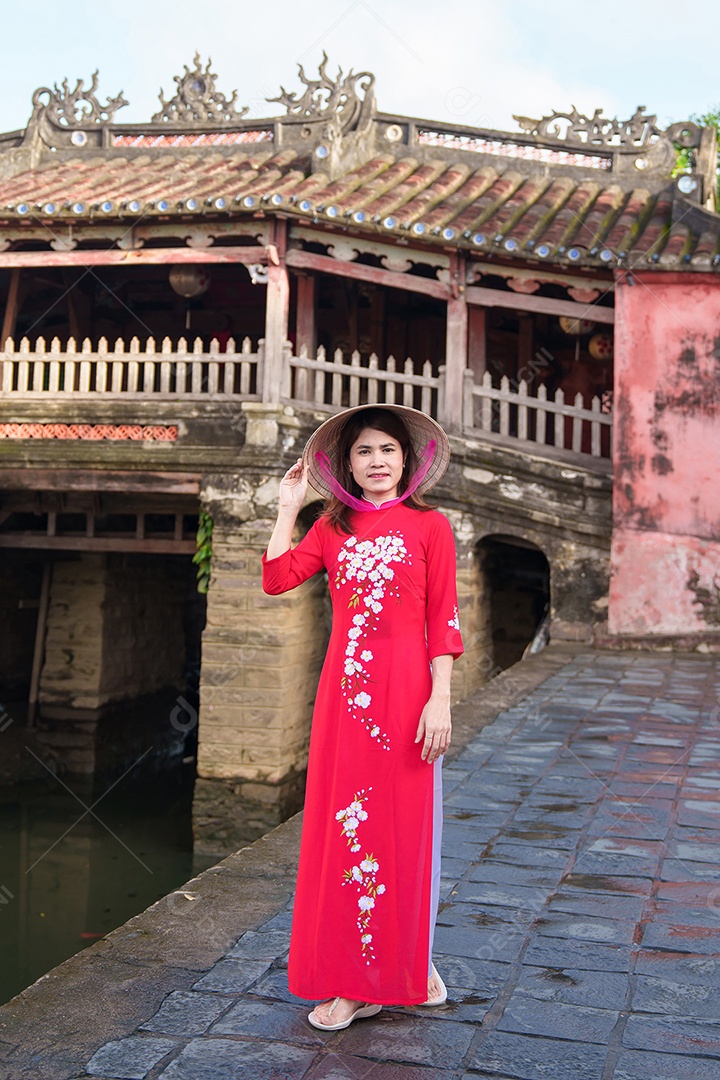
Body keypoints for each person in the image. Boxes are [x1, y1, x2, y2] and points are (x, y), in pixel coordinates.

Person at [262, 404, 464, 1030]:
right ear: (346, 465)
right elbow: (276, 579)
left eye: (388, 450)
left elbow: (443, 620)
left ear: (407, 461)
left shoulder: (431, 527)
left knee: (401, 832)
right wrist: (288, 508)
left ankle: (403, 965)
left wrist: (440, 698)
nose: (377, 461)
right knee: (345, 831)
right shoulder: (332, 529)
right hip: (346, 701)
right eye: (364, 452)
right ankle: (357, 980)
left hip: (407, 699)